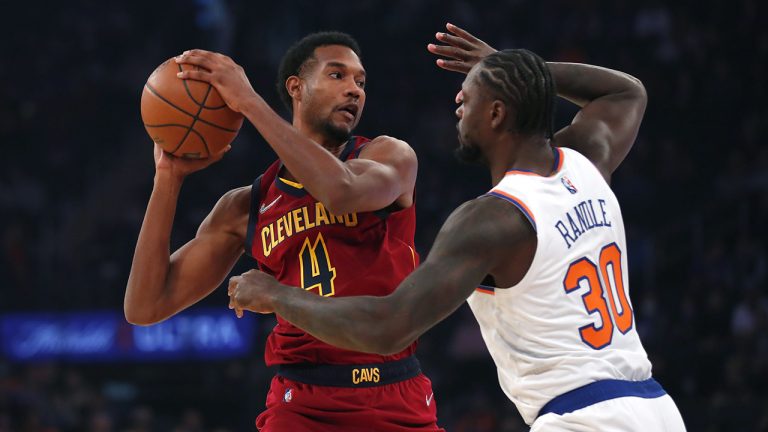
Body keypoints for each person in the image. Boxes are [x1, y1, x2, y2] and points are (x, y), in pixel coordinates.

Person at [226, 24, 688, 431]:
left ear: (497, 114)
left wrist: (276, 295)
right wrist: (511, 69)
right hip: (656, 407)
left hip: (581, 417)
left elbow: (388, 329)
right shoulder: (586, 162)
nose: (457, 106)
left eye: (468, 97)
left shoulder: (490, 219)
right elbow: (627, 92)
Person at [125, 32, 444, 432]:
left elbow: (339, 192)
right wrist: (167, 179)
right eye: (337, 75)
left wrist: (248, 101)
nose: (354, 90)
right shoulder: (247, 205)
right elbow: (145, 307)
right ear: (296, 87)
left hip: (394, 394)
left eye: (360, 82)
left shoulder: (387, 156)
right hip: (300, 404)